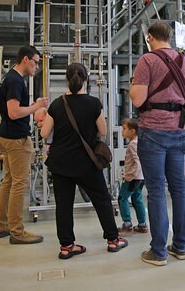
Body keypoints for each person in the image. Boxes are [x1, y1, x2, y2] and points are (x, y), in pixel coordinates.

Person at [41, 63, 128, 259]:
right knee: (101, 200)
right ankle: (113, 240)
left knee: (63, 205)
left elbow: (44, 132)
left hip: (60, 163)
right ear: (86, 80)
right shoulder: (93, 103)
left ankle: (66, 246)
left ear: (67, 79)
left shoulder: (57, 104)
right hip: (87, 162)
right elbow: (104, 131)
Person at [130, 21, 185, 266]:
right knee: (179, 189)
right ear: (169, 37)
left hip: (153, 132)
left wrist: (132, 88)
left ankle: (158, 251)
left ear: (150, 37)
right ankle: (180, 246)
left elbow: (138, 100)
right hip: (179, 131)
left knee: (157, 190)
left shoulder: (146, 61)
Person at [0, 46, 48, 244]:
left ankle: (2, 226)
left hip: (6, 135)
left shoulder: (9, 78)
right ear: (25, 59)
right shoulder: (16, 81)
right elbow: (14, 112)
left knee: (8, 181)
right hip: (17, 138)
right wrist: (37, 106)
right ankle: (17, 232)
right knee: (19, 184)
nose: (36, 66)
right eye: (35, 62)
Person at [118, 118, 148, 234]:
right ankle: (142, 224)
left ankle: (127, 224)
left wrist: (130, 175)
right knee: (137, 199)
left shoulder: (132, 144)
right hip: (140, 177)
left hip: (133, 178)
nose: (122, 131)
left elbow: (138, 161)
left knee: (122, 198)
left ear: (133, 131)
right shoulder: (139, 142)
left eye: (124, 129)